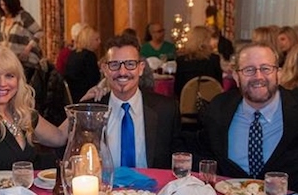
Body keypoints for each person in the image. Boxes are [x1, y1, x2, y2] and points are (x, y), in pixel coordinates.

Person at [198, 43, 298, 195]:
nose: (258, 77)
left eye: (266, 69)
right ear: (236, 77)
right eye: (249, 70)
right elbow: (200, 148)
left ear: (278, 74)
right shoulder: (219, 108)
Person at [0, 46, 68, 176]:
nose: (2, 83)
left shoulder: (24, 115)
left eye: (9, 76)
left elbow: (60, 137)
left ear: (18, 80)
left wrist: (84, 106)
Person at [88, 34, 182, 169]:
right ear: (105, 70)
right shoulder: (91, 111)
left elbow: (178, 161)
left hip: (153, 188)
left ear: (141, 68)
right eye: (114, 65)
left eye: (130, 64)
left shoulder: (166, 110)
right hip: (105, 187)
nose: (122, 72)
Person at [0, 0, 43, 73]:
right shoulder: (3, 21)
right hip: (11, 61)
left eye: (5, 5)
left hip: (26, 61)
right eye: (1, 5)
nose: (4, 8)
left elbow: (39, 32)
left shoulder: (23, 16)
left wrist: (28, 48)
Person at [175, 26, 223, 97]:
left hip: (186, 100)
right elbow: (218, 84)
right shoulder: (214, 59)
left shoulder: (181, 60)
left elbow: (177, 88)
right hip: (211, 100)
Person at [64, 25, 101, 102]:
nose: (100, 42)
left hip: (72, 95)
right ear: (88, 40)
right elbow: (95, 80)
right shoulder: (89, 56)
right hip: (84, 96)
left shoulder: (73, 54)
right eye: (96, 39)